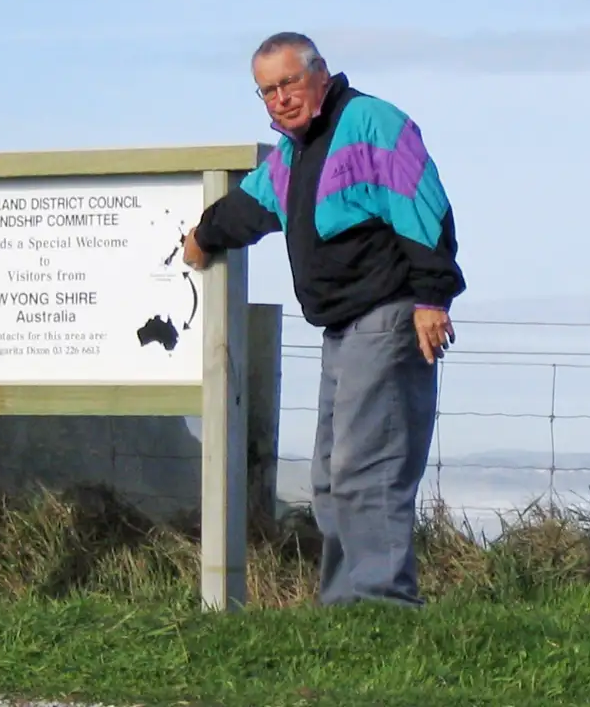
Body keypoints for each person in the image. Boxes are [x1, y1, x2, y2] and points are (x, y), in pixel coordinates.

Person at [182, 32, 466, 607]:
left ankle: (384, 605)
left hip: (389, 314)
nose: (280, 98)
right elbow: (254, 205)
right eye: (267, 91)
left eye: (288, 82)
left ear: (321, 73)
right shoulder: (295, 151)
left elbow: (423, 205)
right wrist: (203, 235)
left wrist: (433, 298)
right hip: (342, 327)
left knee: (368, 467)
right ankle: (345, 607)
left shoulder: (371, 123)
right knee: (332, 476)